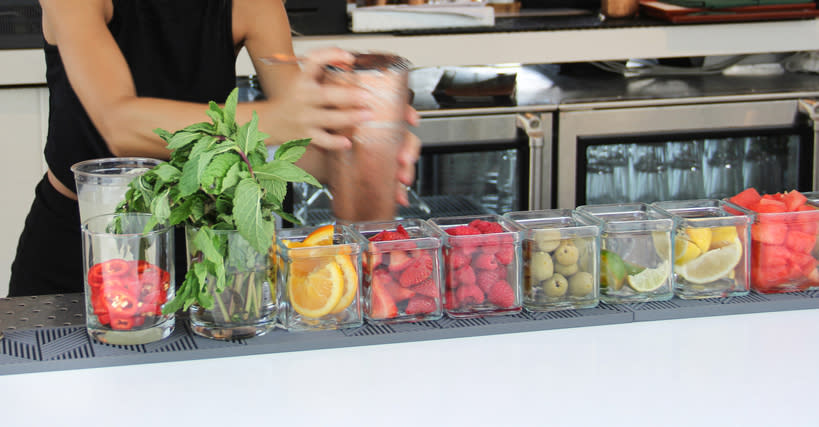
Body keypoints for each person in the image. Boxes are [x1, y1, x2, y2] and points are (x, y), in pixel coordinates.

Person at [8, 0, 421, 297]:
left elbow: (298, 145)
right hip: (80, 246)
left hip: (205, 255)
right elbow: (121, 126)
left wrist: (365, 152)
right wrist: (281, 117)